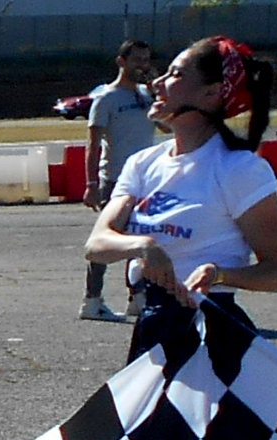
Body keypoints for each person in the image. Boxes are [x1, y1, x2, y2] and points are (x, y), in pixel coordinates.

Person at [84, 36, 277, 364]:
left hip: (212, 332)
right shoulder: (143, 164)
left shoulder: (240, 169)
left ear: (211, 92)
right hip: (153, 325)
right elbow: (97, 244)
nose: (158, 83)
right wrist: (144, 246)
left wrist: (218, 274)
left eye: (176, 75)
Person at [78, 39, 157, 322]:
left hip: (146, 181)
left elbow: (165, 125)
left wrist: (157, 96)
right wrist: (91, 185)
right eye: (137, 60)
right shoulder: (106, 98)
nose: (142, 66)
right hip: (115, 181)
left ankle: (137, 296)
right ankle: (92, 300)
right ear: (122, 62)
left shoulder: (146, 96)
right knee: (108, 239)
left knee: (140, 240)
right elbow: (93, 144)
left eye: (146, 60)